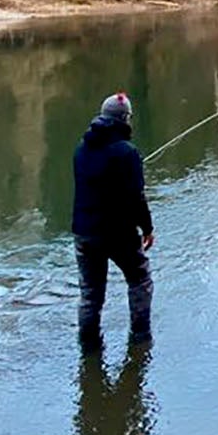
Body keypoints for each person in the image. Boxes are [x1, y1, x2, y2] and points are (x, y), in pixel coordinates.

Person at [72, 91, 154, 347]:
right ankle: (140, 340)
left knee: (90, 294)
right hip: (119, 233)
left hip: (84, 232)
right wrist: (147, 228)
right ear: (125, 119)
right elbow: (136, 197)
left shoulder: (80, 150)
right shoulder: (126, 152)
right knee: (140, 280)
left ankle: (89, 347)